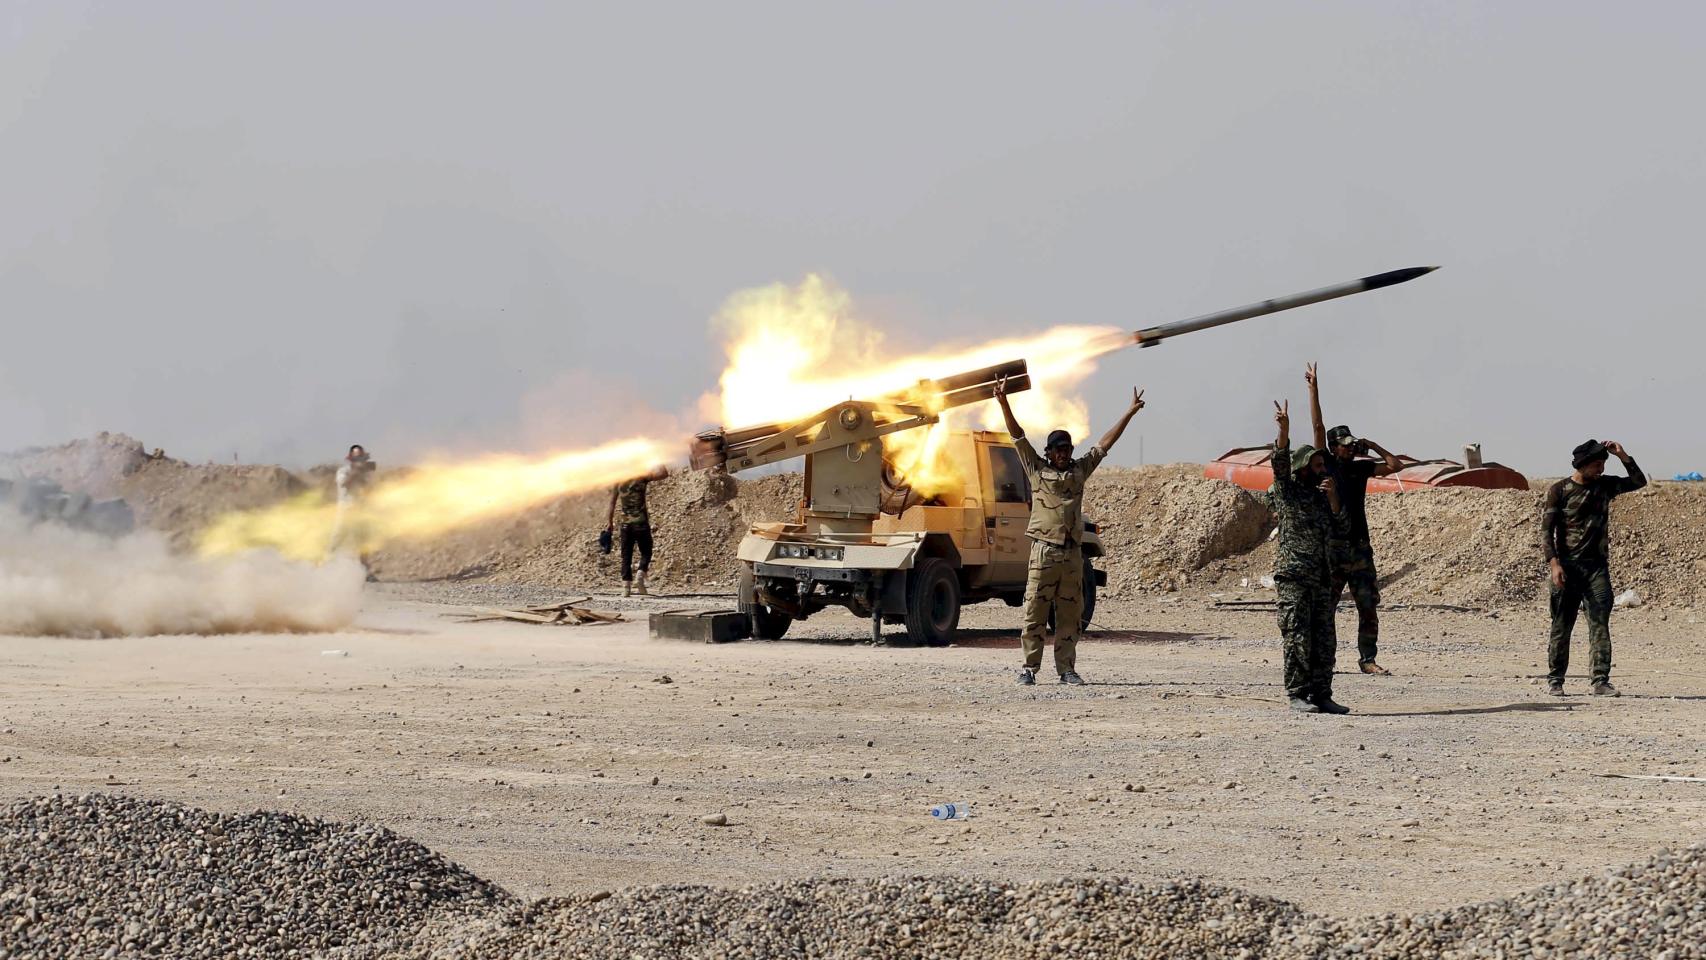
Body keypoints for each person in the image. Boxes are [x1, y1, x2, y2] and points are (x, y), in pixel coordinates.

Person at [994, 377, 1145, 686]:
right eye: (1058, 449)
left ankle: (1066, 668)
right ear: (1048, 452)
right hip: (1044, 551)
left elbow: (1104, 445)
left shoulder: (1079, 472)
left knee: (1069, 613)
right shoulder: (1037, 470)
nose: (1063, 453)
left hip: (1071, 554)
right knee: (1035, 609)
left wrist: (1128, 413)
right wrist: (1003, 402)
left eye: (1067, 448)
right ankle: (1029, 668)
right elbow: (1017, 435)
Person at [1305, 362, 1404, 675]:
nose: (1349, 449)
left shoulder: (1361, 467)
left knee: (1368, 605)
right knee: (1326, 608)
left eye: (1351, 445)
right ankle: (1326, 660)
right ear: (1334, 448)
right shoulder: (1327, 465)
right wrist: (1314, 389)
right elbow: (1318, 427)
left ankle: (1367, 659)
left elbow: (1395, 466)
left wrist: (1371, 445)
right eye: (1344, 445)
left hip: (1360, 548)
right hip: (1333, 548)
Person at [1542, 439, 1646, 697]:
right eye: (1597, 464)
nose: (1601, 469)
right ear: (1583, 464)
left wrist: (1622, 455)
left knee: (1600, 624)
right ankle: (1556, 680)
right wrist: (1554, 564)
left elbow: (1638, 481)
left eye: (1603, 464)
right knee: (1561, 626)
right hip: (1567, 569)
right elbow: (1546, 531)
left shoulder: (1605, 486)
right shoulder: (1560, 490)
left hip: (1596, 570)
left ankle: (1600, 680)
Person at [1269, 400, 1352, 715]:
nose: (1322, 471)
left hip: (1320, 577)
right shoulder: (1289, 493)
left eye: (1323, 466)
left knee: (1324, 640)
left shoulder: (1321, 497)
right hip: (1294, 577)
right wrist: (1284, 430)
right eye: (1316, 466)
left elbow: (1341, 526)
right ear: (1303, 467)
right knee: (1298, 637)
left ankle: (1322, 694)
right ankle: (1297, 694)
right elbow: (1279, 464)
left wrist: (1333, 498)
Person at [606, 465, 669, 597]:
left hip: (626, 525)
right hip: (641, 523)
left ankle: (626, 588)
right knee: (646, 551)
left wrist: (609, 522)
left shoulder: (618, 480)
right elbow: (664, 474)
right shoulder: (642, 476)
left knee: (626, 555)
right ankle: (640, 574)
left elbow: (611, 503)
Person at [332, 444, 376, 576]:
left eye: (361, 458)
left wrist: (363, 475)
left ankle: (364, 570)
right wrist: (356, 471)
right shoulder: (343, 471)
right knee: (338, 538)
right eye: (357, 459)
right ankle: (328, 565)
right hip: (345, 510)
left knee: (363, 542)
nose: (360, 461)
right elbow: (345, 484)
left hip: (360, 510)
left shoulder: (365, 475)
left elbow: (369, 491)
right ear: (351, 459)